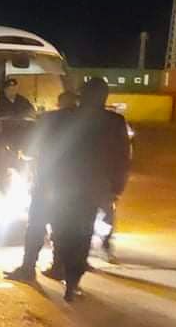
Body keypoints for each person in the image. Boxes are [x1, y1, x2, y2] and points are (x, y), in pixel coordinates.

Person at [35, 78, 129, 302]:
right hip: (93, 187)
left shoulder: (61, 118)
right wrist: (117, 186)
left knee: (62, 228)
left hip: (63, 185)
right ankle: (73, 281)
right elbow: (122, 157)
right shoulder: (114, 121)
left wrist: (44, 180)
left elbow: (48, 152)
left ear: (81, 95)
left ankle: (61, 266)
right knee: (83, 233)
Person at [4, 91, 79, 282]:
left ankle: (28, 268)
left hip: (47, 183)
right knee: (62, 227)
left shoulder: (48, 119)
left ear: (58, 103)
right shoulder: (85, 123)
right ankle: (59, 267)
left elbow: (31, 149)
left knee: (36, 225)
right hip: (73, 186)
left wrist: (24, 154)